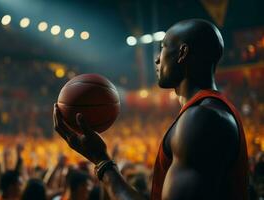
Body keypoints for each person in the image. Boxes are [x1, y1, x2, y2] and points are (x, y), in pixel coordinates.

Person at [53, 19, 249, 200]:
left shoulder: (202, 118)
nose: (157, 60)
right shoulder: (206, 111)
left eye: (162, 48)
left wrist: (101, 161)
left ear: (182, 53)